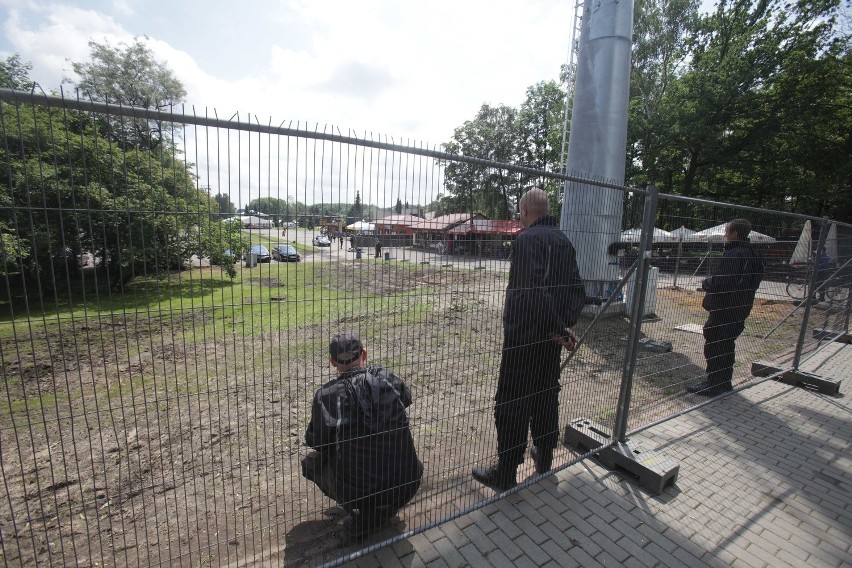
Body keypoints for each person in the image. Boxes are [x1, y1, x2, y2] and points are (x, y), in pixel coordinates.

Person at [472, 188, 585, 492]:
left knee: (512, 402)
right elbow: (577, 289)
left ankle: (506, 472)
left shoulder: (525, 240)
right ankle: (545, 456)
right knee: (546, 394)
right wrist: (563, 327)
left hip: (524, 337)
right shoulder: (564, 240)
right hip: (550, 340)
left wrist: (557, 328)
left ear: (524, 210)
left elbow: (533, 290)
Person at [302, 332, 423, 540]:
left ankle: (368, 516)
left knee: (310, 462)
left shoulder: (326, 396)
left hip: (363, 491)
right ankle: (384, 506)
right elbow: (407, 397)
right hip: (409, 481)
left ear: (333, 362)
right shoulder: (384, 377)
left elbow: (316, 441)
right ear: (364, 355)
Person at [689, 219, 764, 397]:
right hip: (741, 307)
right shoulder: (754, 254)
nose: (724, 234)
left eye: (727, 231)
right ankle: (724, 382)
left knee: (715, 346)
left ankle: (714, 384)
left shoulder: (735, 254)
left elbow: (724, 281)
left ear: (735, 234)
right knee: (727, 345)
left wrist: (707, 283)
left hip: (725, 308)